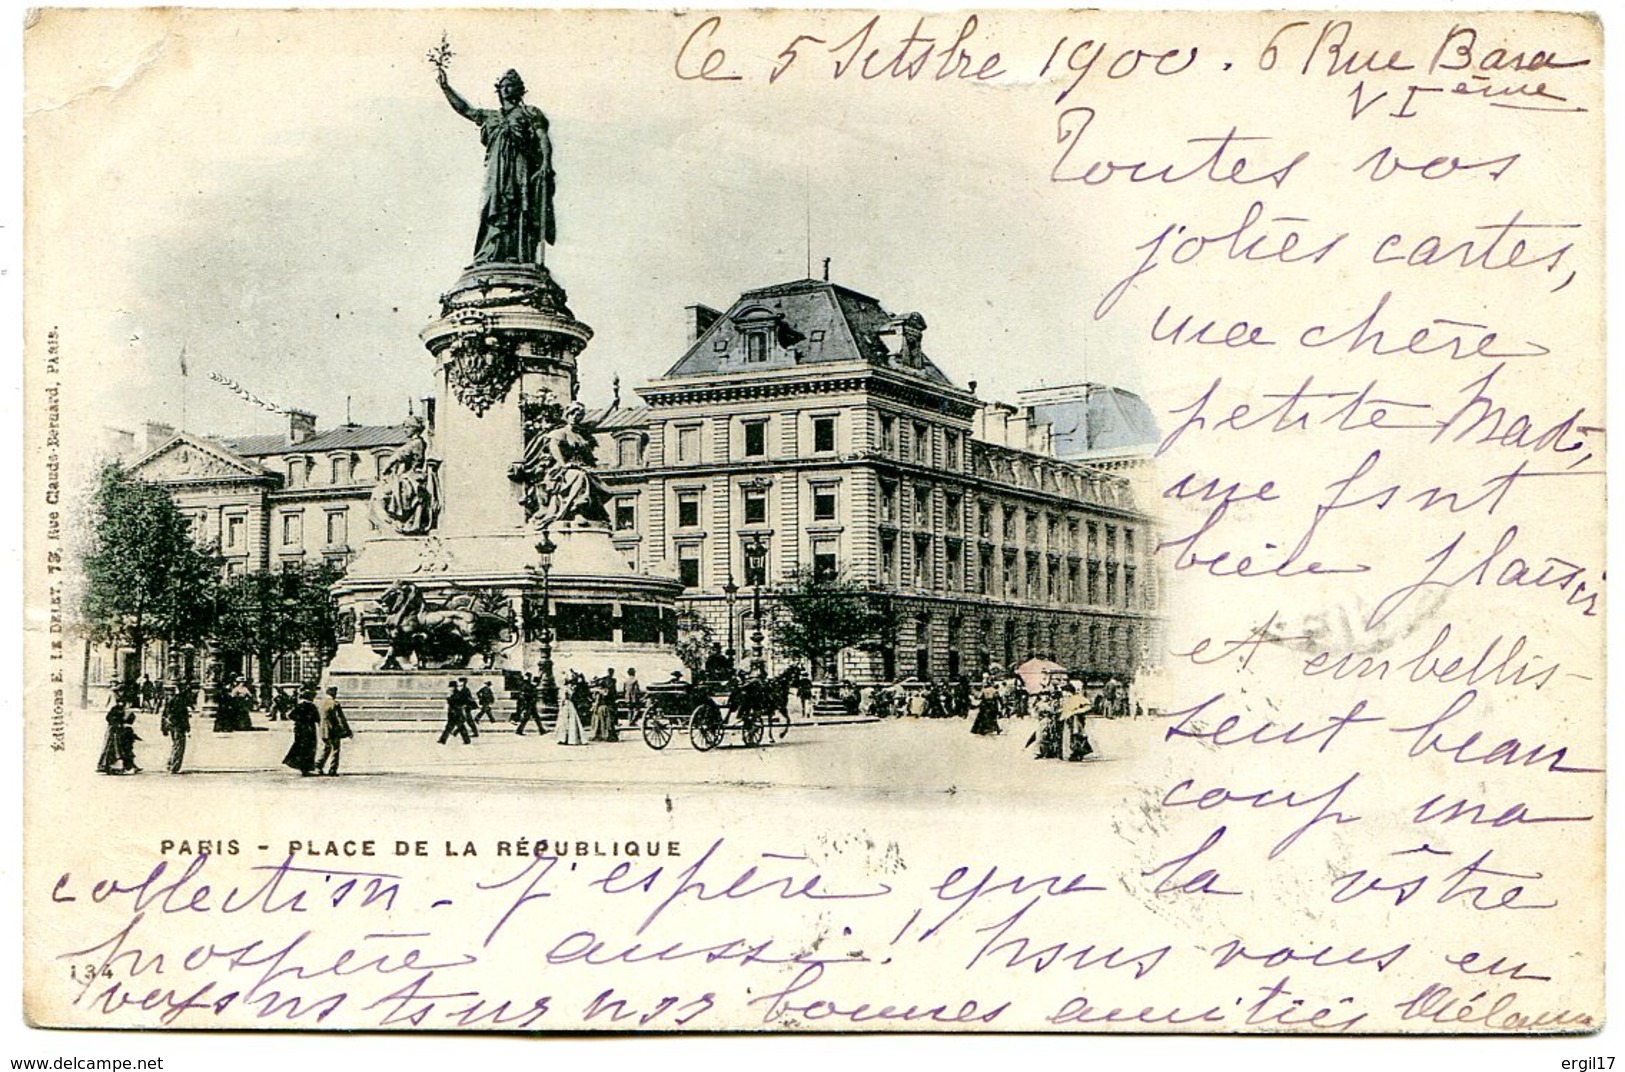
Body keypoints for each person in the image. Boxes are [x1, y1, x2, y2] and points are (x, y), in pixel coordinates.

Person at [436, 65, 555, 266]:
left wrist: (545, 163)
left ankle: (519, 255)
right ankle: (491, 253)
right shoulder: (490, 116)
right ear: (498, 91)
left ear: (520, 90)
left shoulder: (530, 113)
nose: (507, 89)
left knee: (519, 205)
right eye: (503, 86)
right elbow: (465, 109)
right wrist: (446, 88)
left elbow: (543, 138)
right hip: (495, 170)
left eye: (511, 86)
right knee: (493, 205)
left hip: (520, 166)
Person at [315, 686, 353, 775]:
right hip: (333, 730)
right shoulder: (334, 704)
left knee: (326, 748)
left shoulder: (320, 703)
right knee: (335, 749)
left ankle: (318, 766)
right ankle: (332, 769)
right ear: (333, 693)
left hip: (323, 729)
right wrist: (348, 731)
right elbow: (341, 718)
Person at [283, 687, 321, 775]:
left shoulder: (299, 705)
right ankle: (305, 768)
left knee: (299, 745)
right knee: (309, 748)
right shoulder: (312, 706)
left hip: (299, 728)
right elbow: (317, 718)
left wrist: (299, 720)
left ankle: (295, 763)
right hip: (309, 729)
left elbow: (290, 715)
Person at [160, 682, 193, 775]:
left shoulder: (171, 699)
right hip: (179, 726)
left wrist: (163, 727)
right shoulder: (181, 701)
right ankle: (174, 766)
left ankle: (170, 763)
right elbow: (183, 716)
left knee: (175, 744)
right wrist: (187, 728)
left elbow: (164, 714)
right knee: (179, 746)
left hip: (171, 725)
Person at [556, 670, 588, 746]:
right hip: (570, 704)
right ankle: (569, 738)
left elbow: (563, 698)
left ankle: (564, 738)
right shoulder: (570, 688)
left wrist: (561, 705)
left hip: (566, 705)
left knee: (565, 721)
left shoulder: (564, 689)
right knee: (570, 722)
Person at [439, 678, 472, 745]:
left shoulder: (456, 694)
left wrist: (449, 698)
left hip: (456, 713)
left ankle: (467, 740)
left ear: (454, 687)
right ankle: (443, 740)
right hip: (453, 713)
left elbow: (454, 702)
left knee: (460, 727)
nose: (449, 689)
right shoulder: (454, 693)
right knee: (450, 727)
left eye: (451, 687)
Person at [590, 669, 619, 742]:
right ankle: (608, 735)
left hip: (601, 707)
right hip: (607, 707)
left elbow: (597, 701)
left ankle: (601, 735)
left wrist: (594, 708)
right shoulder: (608, 689)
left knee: (599, 723)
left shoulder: (599, 692)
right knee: (608, 723)